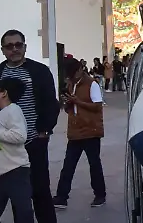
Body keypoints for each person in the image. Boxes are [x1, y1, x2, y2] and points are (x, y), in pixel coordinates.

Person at [0, 31, 59, 223]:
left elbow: (51, 103)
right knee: (18, 199)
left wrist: (44, 129)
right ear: (2, 50)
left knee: (40, 192)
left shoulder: (39, 71)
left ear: (24, 46)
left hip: (34, 141)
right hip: (9, 147)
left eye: (18, 45)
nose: (14, 49)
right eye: (9, 46)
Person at [53, 58, 106, 209]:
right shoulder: (70, 84)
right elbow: (70, 109)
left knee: (94, 164)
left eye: (73, 73)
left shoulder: (92, 84)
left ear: (80, 70)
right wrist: (68, 103)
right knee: (68, 165)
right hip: (75, 130)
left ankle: (100, 195)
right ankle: (62, 197)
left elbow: (97, 107)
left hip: (91, 130)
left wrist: (77, 101)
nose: (72, 77)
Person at [0, 78, 33, 223]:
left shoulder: (13, 110)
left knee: (24, 213)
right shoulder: (4, 112)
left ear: (4, 93)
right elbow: (5, 137)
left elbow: (20, 136)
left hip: (16, 170)